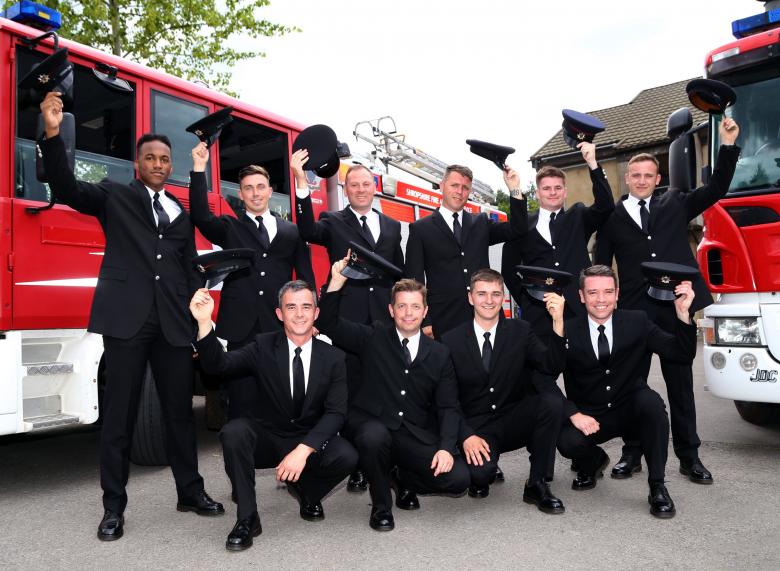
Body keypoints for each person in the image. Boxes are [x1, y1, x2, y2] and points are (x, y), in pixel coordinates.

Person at [38, 91, 223, 542]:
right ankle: (113, 508)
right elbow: (64, 186)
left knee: (179, 414)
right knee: (118, 417)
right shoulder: (113, 197)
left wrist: (206, 284)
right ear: (137, 164)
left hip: (173, 325)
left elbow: (183, 265)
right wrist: (51, 131)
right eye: (151, 158)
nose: (159, 164)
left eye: (164, 159)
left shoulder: (180, 211)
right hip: (128, 322)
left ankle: (190, 492)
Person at [595, 117, 740, 483]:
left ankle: (689, 456)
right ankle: (632, 452)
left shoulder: (676, 202)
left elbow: (717, 188)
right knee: (631, 384)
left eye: (648, 175)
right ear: (627, 178)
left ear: (657, 179)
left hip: (676, 307)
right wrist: (600, 304)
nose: (641, 180)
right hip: (632, 312)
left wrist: (727, 145)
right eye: (635, 175)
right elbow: (599, 264)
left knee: (681, 386)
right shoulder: (611, 218)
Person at [191, 281, 358, 551]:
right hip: (267, 438)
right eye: (291, 307)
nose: (299, 314)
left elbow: (336, 412)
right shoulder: (262, 346)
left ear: (316, 313)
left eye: (306, 307)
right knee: (234, 432)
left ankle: (307, 492)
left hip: (305, 439)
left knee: (348, 455)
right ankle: (247, 518)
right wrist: (203, 323)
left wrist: (302, 452)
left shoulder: (334, 357)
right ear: (280, 314)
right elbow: (218, 366)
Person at [317, 257, 469, 532]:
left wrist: (446, 447)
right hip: (370, 423)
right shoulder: (373, 337)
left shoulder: (440, 354)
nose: (408, 313)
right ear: (391, 310)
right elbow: (329, 324)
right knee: (374, 438)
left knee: (458, 479)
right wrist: (336, 282)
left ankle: (402, 477)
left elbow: (448, 406)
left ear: (425, 311)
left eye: (415, 307)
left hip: (411, 431)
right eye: (402, 306)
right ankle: (381, 506)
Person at [293, 155, 404, 491]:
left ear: (374, 188)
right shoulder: (332, 221)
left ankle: (388, 459)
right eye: (353, 185)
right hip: (347, 319)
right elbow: (307, 230)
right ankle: (357, 464)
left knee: (385, 391)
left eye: (366, 184)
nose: (360, 189)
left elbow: (398, 273)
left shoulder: (393, 225)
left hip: (384, 322)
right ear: (345, 189)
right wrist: (301, 184)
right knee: (350, 393)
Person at [556, 265, 697, 518]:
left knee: (652, 406)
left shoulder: (638, 321)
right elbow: (544, 378)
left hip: (629, 410)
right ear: (581, 296)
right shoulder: (567, 329)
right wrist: (572, 413)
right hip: (590, 416)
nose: (601, 300)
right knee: (566, 441)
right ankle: (595, 462)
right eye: (593, 293)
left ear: (617, 293)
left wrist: (683, 316)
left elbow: (681, 354)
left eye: (608, 292)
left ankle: (657, 486)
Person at [189, 142, 314, 420]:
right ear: (241, 194)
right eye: (248, 188)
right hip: (240, 328)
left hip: (279, 324)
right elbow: (200, 216)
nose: (255, 193)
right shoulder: (229, 227)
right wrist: (199, 168)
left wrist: (309, 320)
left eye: (260, 187)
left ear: (270, 191)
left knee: (281, 398)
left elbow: (305, 278)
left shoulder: (291, 231)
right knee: (242, 403)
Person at [440, 269, 566, 511]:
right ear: (470, 297)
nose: (489, 300)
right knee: (480, 475)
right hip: (478, 427)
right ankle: (486, 469)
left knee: (551, 402)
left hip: (513, 418)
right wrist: (465, 435)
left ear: (503, 297)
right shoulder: (450, 340)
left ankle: (538, 482)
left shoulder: (521, 330)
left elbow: (550, 366)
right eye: (482, 294)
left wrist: (558, 322)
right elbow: (447, 399)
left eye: (496, 294)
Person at [501, 142, 614, 338]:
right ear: (537, 193)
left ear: (565, 191)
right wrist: (526, 298)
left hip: (577, 310)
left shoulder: (578, 215)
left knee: (580, 368)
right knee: (540, 368)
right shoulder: (522, 224)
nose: (552, 192)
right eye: (546, 188)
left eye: (557, 188)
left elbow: (605, 206)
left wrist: (593, 164)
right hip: (537, 313)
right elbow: (509, 269)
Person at [405, 164, 527, 339]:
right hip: (443, 322)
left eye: (465, 188)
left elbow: (518, 229)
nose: (460, 192)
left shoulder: (481, 223)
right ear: (442, 185)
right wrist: (424, 321)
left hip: (486, 317)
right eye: (454, 185)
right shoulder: (420, 229)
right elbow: (413, 279)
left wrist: (514, 189)